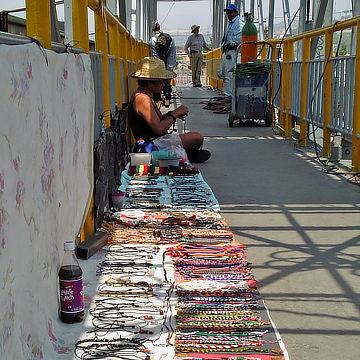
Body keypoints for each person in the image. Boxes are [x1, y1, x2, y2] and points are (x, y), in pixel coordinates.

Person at [128, 57, 211, 163]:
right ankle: (181, 154)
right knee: (197, 138)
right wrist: (175, 114)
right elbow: (159, 129)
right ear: (150, 82)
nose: (163, 85)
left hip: (156, 140)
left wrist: (170, 114)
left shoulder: (145, 95)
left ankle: (181, 154)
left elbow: (156, 121)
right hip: (150, 144)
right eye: (161, 82)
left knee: (196, 139)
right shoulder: (143, 99)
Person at [219, 4, 244, 96]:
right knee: (226, 75)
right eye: (227, 13)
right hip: (228, 52)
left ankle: (230, 96)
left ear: (236, 12)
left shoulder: (239, 24)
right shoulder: (231, 24)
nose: (229, 14)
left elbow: (239, 38)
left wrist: (231, 44)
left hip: (233, 52)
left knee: (230, 75)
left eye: (231, 12)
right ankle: (227, 94)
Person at [150, 20, 176, 107]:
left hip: (167, 56)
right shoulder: (153, 41)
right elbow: (155, 58)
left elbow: (171, 59)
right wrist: (158, 72)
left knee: (167, 75)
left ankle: (167, 92)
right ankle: (157, 94)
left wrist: (168, 73)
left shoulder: (171, 43)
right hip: (158, 57)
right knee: (158, 74)